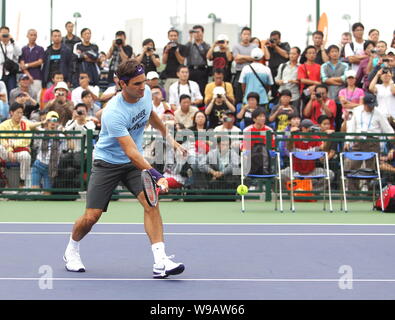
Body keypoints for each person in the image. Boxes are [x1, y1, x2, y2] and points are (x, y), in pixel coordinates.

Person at [63, 59, 187, 278]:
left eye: (144, 82)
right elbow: (130, 151)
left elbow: (151, 115)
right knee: (91, 217)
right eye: (137, 83)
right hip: (107, 163)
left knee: (151, 203)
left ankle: (161, 261)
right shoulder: (113, 113)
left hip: (132, 164)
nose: (143, 87)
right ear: (122, 84)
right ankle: (71, 249)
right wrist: (157, 175)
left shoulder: (145, 92)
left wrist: (171, 139)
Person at [345, 93, 395, 192]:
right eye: (370, 105)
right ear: (364, 104)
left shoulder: (379, 113)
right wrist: (347, 141)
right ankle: (352, 193)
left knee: (371, 168)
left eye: (373, 105)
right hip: (358, 140)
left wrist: (393, 142)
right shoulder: (357, 111)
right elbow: (352, 127)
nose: (372, 108)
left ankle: (370, 193)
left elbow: (388, 129)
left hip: (373, 141)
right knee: (353, 165)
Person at [281, 119, 335, 190]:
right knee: (280, 174)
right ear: (303, 129)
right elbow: (289, 147)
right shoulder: (295, 137)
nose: (312, 131)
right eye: (310, 129)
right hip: (295, 170)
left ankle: (311, 191)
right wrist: (291, 134)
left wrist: (329, 137)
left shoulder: (315, 138)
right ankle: (295, 190)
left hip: (311, 171)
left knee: (330, 174)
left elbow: (325, 149)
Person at [0, 103, 45, 187]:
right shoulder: (3, 125)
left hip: (19, 152)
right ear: (11, 113)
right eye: (18, 112)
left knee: (26, 156)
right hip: (6, 153)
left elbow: (26, 141)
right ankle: (3, 177)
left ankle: (22, 182)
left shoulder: (25, 124)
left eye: (21, 113)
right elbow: (3, 141)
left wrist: (13, 143)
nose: (20, 115)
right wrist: (9, 150)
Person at [31, 111, 70, 195]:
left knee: (47, 194)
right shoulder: (42, 132)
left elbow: (72, 146)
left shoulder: (61, 136)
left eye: (55, 120)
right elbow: (31, 127)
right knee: (35, 193)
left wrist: (66, 133)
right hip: (38, 165)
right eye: (50, 120)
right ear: (47, 122)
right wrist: (42, 122)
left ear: (58, 122)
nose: (53, 122)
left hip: (51, 168)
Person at [321, 44, 349, 131]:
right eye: (332, 52)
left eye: (336, 51)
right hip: (329, 96)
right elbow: (324, 79)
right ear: (328, 54)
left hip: (341, 97)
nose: (334, 53)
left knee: (340, 120)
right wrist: (338, 81)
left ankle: (340, 143)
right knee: (328, 119)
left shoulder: (345, 65)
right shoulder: (324, 66)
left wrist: (331, 79)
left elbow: (345, 78)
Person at [232, 27, 257, 104]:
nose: (246, 36)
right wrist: (250, 58)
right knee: (239, 95)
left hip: (252, 73)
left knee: (251, 94)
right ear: (241, 35)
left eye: (248, 34)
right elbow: (237, 60)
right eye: (244, 34)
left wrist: (242, 56)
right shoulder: (236, 46)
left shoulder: (254, 47)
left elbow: (255, 59)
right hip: (240, 72)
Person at [184, 25, 211, 97]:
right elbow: (184, 51)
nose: (197, 34)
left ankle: (201, 107)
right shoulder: (190, 45)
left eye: (199, 32)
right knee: (190, 90)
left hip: (202, 70)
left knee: (202, 90)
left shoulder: (206, 45)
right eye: (195, 32)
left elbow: (210, 57)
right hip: (191, 70)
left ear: (203, 33)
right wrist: (190, 38)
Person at [265, 30, 290, 99]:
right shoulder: (268, 47)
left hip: (283, 72)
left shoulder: (285, 45)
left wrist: (275, 46)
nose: (274, 41)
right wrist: (265, 46)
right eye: (272, 39)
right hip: (272, 72)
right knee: (274, 93)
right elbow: (267, 57)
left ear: (280, 39)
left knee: (283, 92)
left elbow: (286, 55)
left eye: (276, 39)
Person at [19, 29, 45, 98]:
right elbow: (22, 64)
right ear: (27, 36)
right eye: (31, 35)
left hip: (37, 77)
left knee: (37, 97)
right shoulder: (23, 49)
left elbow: (40, 62)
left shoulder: (40, 49)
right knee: (24, 97)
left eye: (35, 35)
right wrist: (28, 76)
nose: (33, 37)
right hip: (25, 79)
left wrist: (27, 65)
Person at [162, 29, 186, 97]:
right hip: (168, 75)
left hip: (179, 76)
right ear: (168, 37)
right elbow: (164, 62)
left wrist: (176, 51)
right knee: (167, 95)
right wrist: (166, 51)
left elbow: (182, 61)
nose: (173, 37)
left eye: (175, 36)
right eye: (171, 36)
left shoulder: (182, 47)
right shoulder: (166, 47)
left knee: (178, 95)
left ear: (177, 37)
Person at [0, 26, 22, 96]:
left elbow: (19, 53)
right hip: (1, 72)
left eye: (6, 34)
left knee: (11, 92)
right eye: (3, 33)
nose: (4, 35)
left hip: (11, 73)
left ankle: (11, 106)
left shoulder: (12, 44)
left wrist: (12, 41)